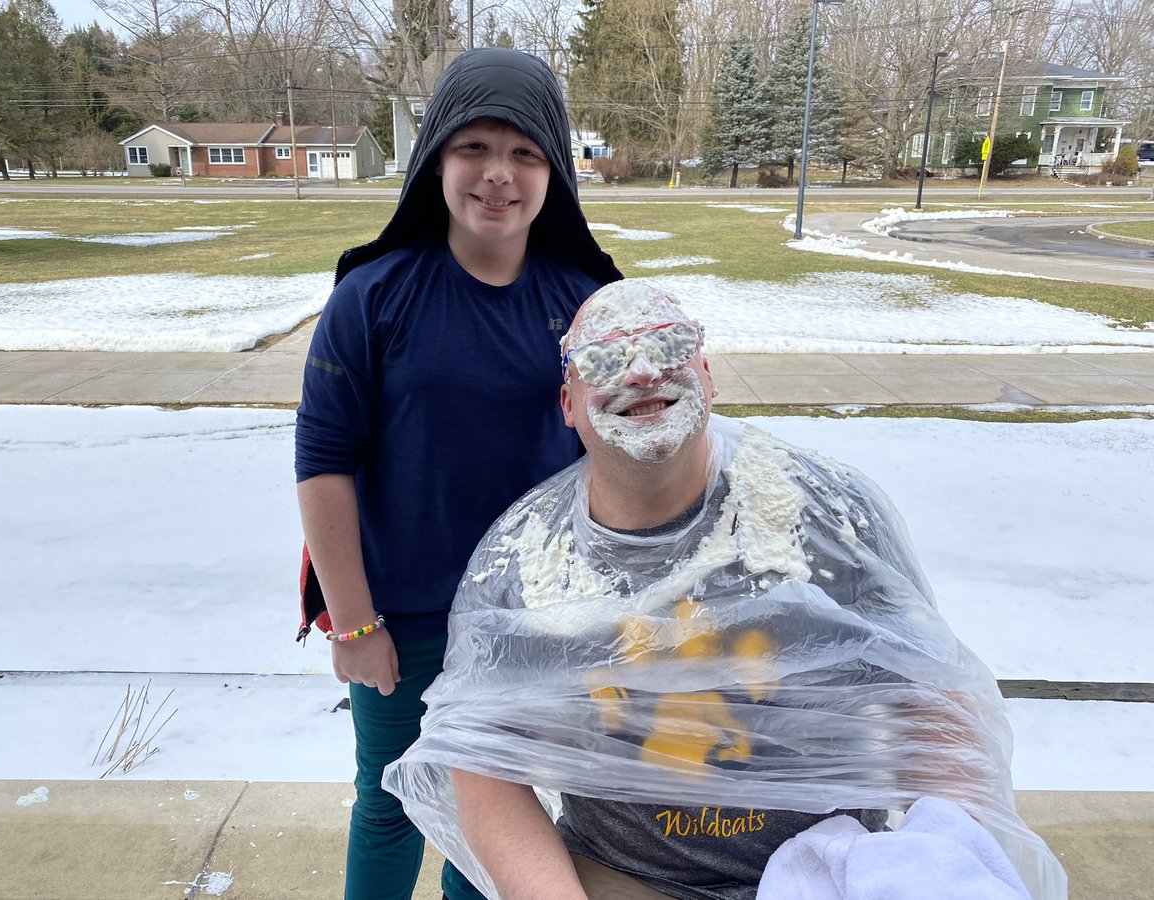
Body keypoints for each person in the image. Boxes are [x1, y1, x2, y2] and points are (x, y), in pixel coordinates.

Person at [382, 282, 1067, 900]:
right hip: (624, 878)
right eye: (603, 359)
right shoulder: (526, 559)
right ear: (568, 403)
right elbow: (477, 757)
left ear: (708, 374)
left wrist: (933, 864)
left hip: (831, 866)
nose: (644, 370)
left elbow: (934, 705)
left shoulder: (831, 516)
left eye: (670, 345)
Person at [294, 48, 622, 900]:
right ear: (436, 156)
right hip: (403, 627)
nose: (498, 175)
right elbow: (324, 464)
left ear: (553, 171)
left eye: (525, 153)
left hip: (530, 625)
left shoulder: (586, 303)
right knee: (391, 806)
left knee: (495, 821)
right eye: (474, 147)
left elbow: (623, 458)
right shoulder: (372, 297)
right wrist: (355, 627)